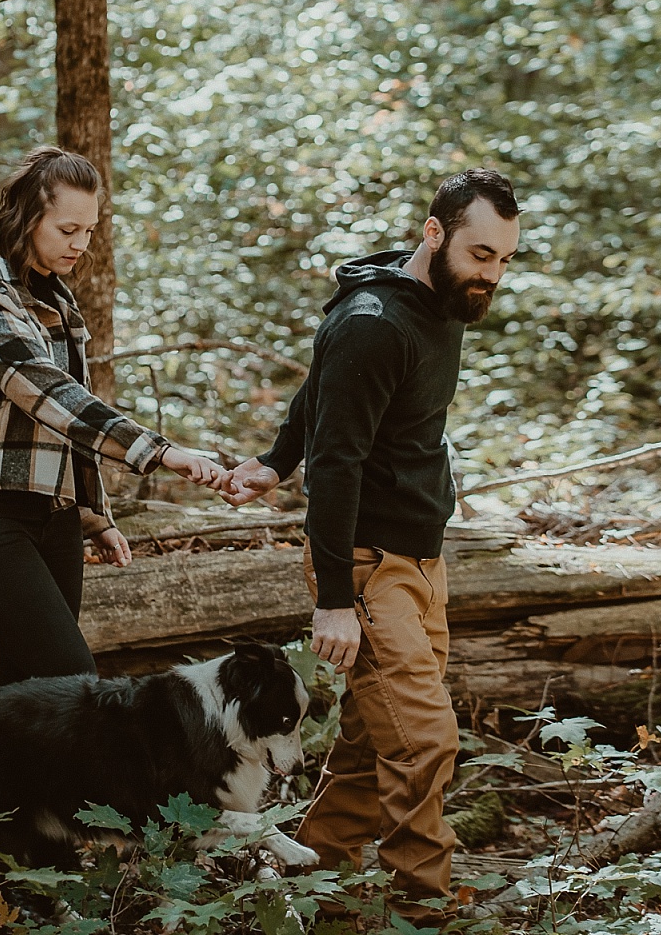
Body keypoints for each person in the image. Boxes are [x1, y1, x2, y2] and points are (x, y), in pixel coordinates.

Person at [221, 168, 522, 922]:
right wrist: (335, 601)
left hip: (424, 559)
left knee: (367, 744)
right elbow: (338, 464)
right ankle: (421, 906)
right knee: (424, 742)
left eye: (506, 258)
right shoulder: (371, 322)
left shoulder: (441, 296)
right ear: (435, 233)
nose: (492, 274)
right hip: (368, 566)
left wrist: (272, 457)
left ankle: (316, 891)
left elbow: (322, 389)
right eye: (481, 254)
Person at [0, 146, 229, 684]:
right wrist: (162, 452)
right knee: (71, 682)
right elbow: (49, 396)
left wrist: (92, 515)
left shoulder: (58, 301)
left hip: (53, 518)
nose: (81, 245)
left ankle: (3, 772)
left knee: (31, 694)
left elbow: (67, 424)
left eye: (88, 231)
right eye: (68, 230)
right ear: (26, 218)